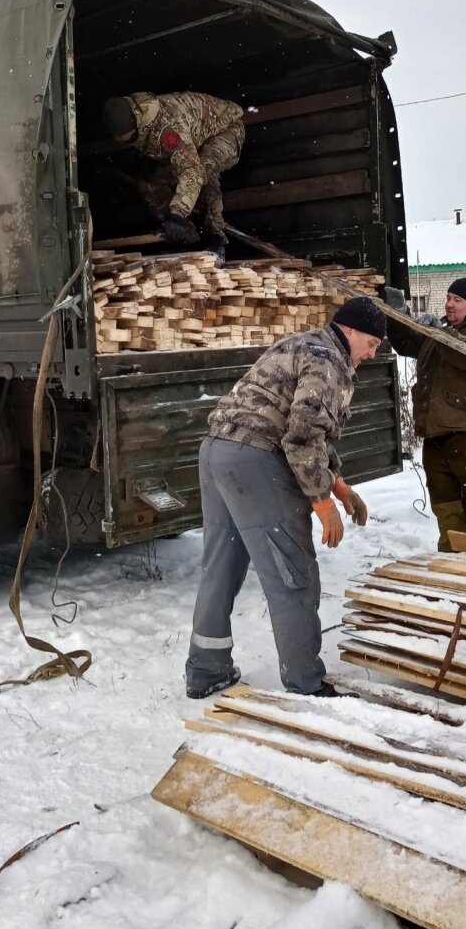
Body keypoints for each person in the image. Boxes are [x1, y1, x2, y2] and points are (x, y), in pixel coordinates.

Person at [184, 296, 386, 700]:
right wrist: (321, 502)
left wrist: (339, 485)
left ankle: (206, 670)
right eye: (372, 343)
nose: (371, 352)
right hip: (257, 460)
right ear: (349, 331)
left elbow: (304, 426)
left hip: (217, 452)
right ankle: (306, 682)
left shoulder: (303, 344)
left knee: (221, 565)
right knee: (292, 571)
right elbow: (301, 438)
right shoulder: (328, 361)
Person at [384, 276, 466, 553]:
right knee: (446, 506)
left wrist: (440, 333)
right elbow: (408, 343)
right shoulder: (444, 332)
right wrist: (397, 315)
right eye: (448, 298)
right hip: (436, 434)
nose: (449, 305)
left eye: (457, 300)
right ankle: (453, 559)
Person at [101, 91, 245, 257]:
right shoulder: (138, 124)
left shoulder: (168, 126)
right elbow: (152, 150)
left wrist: (177, 214)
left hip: (226, 130)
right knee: (149, 185)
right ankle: (189, 240)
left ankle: (215, 237)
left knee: (204, 169)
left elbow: (191, 170)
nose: (121, 140)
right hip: (192, 140)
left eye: (125, 136)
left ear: (134, 123)